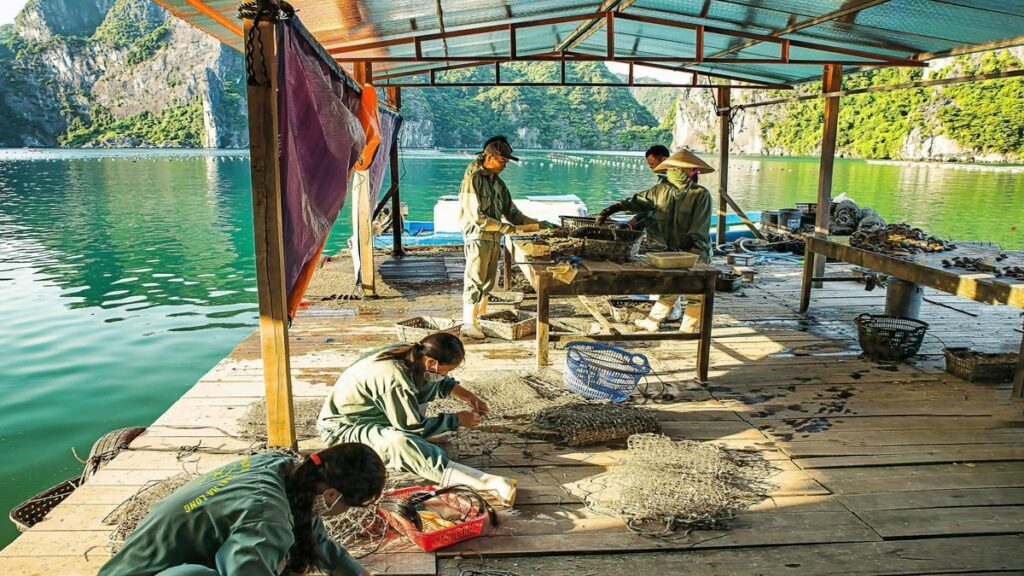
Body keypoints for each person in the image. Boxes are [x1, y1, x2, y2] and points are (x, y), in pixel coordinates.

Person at [99, 444, 386, 576]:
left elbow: (312, 532)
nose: (346, 512)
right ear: (333, 495)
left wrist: (358, 573)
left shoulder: (281, 467)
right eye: (352, 506)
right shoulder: (267, 517)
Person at [317, 332, 517, 506]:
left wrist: (468, 396)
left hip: (376, 416)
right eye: (446, 370)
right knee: (400, 442)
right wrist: (456, 420)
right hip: (343, 429)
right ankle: (484, 482)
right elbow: (412, 429)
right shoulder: (394, 379)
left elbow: (436, 382)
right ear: (431, 362)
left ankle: (432, 449)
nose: (446, 375)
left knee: (421, 397)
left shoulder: (414, 355)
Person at [595, 149, 714, 334]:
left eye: (679, 168)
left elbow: (699, 228)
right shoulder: (660, 190)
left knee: (695, 293)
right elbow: (637, 201)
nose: (674, 171)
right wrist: (611, 209)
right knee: (671, 286)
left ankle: (688, 330)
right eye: (672, 168)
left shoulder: (700, 194)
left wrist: (694, 255)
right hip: (671, 249)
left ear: (691, 171)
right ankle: (652, 322)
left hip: (695, 251)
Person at [458, 137, 547, 339]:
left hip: (494, 236)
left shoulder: (498, 183)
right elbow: (476, 216)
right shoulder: (473, 178)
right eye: (502, 161)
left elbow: (513, 213)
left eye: (506, 163)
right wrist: (505, 228)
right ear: (489, 157)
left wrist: (537, 224)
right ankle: (467, 323)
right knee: (475, 278)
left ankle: (480, 317)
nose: (504, 166)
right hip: (477, 235)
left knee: (489, 279)